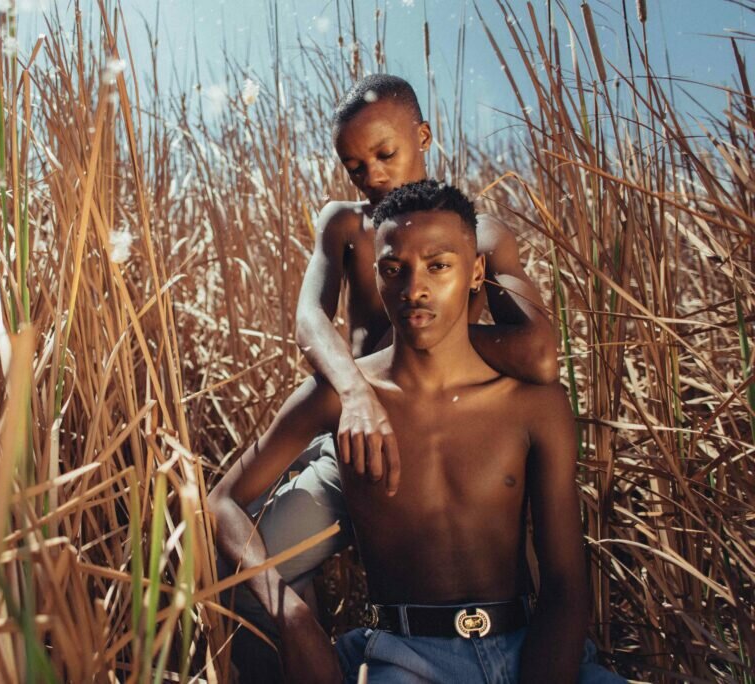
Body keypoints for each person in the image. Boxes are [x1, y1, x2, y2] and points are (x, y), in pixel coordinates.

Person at [210, 180, 625, 683]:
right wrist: (294, 617)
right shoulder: (338, 396)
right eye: (393, 270)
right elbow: (222, 501)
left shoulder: (534, 404)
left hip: (533, 652)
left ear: (475, 273)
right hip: (406, 660)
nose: (414, 289)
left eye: (438, 266)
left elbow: (564, 583)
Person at [224, 73, 558, 681]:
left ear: (423, 136)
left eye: (385, 154)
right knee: (250, 570)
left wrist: (443, 343)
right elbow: (309, 320)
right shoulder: (347, 224)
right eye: (355, 165)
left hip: (449, 442)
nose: (372, 175)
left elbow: (539, 356)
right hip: (352, 442)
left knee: (512, 584)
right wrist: (356, 393)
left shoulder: (478, 234)